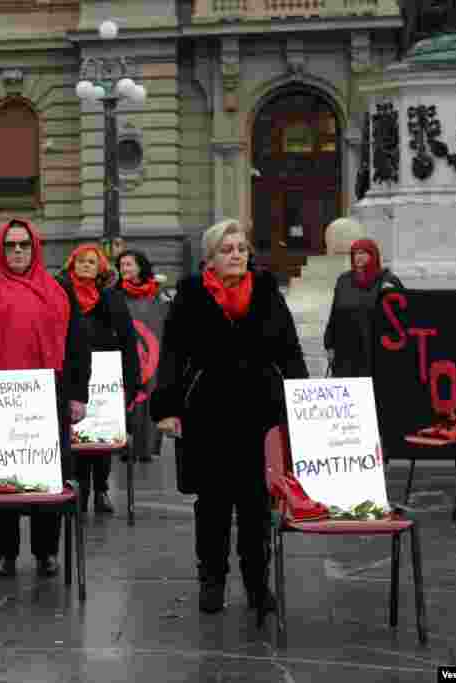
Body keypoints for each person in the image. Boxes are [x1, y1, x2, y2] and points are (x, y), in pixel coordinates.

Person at [151, 219, 308, 615]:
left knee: (258, 502)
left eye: (240, 248)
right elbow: (172, 353)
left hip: (260, 409)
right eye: (227, 249)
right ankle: (212, 579)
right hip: (208, 410)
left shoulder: (268, 290)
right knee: (214, 503)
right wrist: (166, 408)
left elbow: (289, 348)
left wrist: (304, 397)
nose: (236, 254)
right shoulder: (189, 295)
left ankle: (258, 583)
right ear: (210, 258)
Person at [0, 218, 90, 578]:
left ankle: (46, 551)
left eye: (23, 245)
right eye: (10, 245)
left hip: (49, 399)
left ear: (35, 248)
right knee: (2, 475)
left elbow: (77, 346)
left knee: (48, 474)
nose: (17, 251)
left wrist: (77, 395)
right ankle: (5, 552)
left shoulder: (59, 290)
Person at [60, 243, 140, 514]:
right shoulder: (62, 294)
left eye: (91, 262)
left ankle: (102, 489)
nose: (85, 265)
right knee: (78, 436)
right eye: (80, 261)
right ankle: (81, 487)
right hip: (74, 375)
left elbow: (128, 340)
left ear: (100, 269)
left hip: (106, 378)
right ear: (72, 265)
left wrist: (131, 382)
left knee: (102, 440)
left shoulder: (111, 298)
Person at [115, 249, 168, 463]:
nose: (124, 269)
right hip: (125, 356)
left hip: (151, 355)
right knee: (126, 399)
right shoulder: (115, 293)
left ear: (140, 267)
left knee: (149, 397)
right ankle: (125, 445)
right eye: (121, 265)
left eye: (129, 264)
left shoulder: (158, 294)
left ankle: (146, 447)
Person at [323, 238, 403, 378]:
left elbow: (400, 317)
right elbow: (335, 314)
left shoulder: (388, 281)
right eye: (355, 253)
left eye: (363, 253)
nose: (358, 257)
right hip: (346, 352)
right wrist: (329, 345)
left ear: (373, 256)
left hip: (375, 352)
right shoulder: (344, 281)